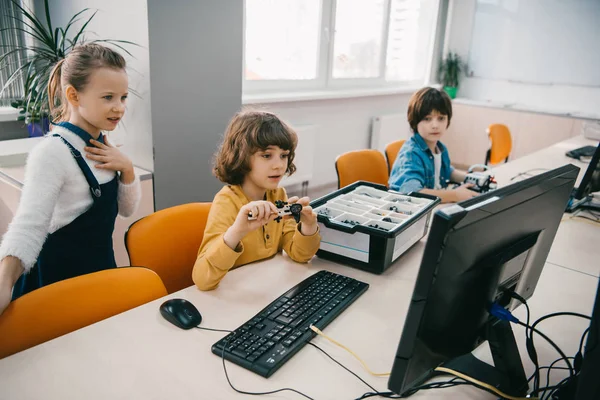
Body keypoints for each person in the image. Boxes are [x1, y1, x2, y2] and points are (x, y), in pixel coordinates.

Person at [0, 43, 141, 315]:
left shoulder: (103, 144)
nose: (119, 108)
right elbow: (28, 226)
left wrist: (128, 169)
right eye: (108, 97)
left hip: (100, 275)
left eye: (123, 97)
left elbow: (126, 210)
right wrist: (5, 280)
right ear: (74, 95)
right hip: (59, 285)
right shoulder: (52, 153)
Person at [192, 110, 321, 291]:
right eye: (267, 155)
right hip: (236, 298)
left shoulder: (278, 195)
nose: (279, 165)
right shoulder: (226, 202)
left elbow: (300, 255)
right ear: (242, 156)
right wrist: (237, 231)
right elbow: (202, 279)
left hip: (268, 292)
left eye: (284, 155)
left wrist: (308, 226)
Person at [388, 87, 478, 203]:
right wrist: (455, 195)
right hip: (407, 211)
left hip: (432, 207)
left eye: (441, 118)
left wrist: (471, 179)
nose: (435, 125)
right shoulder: (411, 154)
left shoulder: (440, 148)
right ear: (415, 121)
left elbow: (445, 171)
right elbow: (413, 193)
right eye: (427, 119)